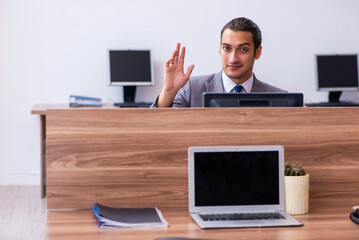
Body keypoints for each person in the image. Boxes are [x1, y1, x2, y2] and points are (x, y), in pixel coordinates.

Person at [153, 17, 286, 108]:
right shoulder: (191, 89)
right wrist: (169, 91)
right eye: (227, 48)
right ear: (220, 49)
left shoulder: (282, 99)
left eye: (243, 49)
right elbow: (158, 129)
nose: (233, 58)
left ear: (257, 52)